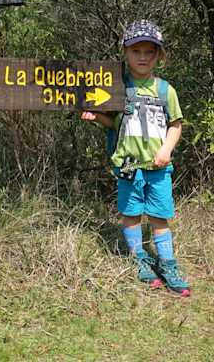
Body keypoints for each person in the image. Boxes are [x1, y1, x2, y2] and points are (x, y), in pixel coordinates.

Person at [81, 20, 190, 296]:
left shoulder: (166, 90)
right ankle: (140, 259)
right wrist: (96, 118)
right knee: (130, 214)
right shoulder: (118, 87)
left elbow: (175, 124)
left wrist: (166, 149)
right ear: (126, 53)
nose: (142, 57)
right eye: (136, 51)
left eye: (149, 52)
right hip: (128, 166)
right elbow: (114, 124)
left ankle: (167, 264)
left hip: (158, 168)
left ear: (159, 55)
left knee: (159, 216)